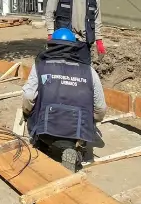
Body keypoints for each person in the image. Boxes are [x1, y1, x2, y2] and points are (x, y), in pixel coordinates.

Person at [21, 28, 107, 172]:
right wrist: (93, 121)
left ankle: (42, 145)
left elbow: (28, 96)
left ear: (51, 45)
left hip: (46, 128)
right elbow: (100, 107)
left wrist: (27, 113)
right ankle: (75, 151)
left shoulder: (40, 67)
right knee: (84, 119)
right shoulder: (88, 71)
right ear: (74, 48)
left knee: (33, 109)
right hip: (76, 131)